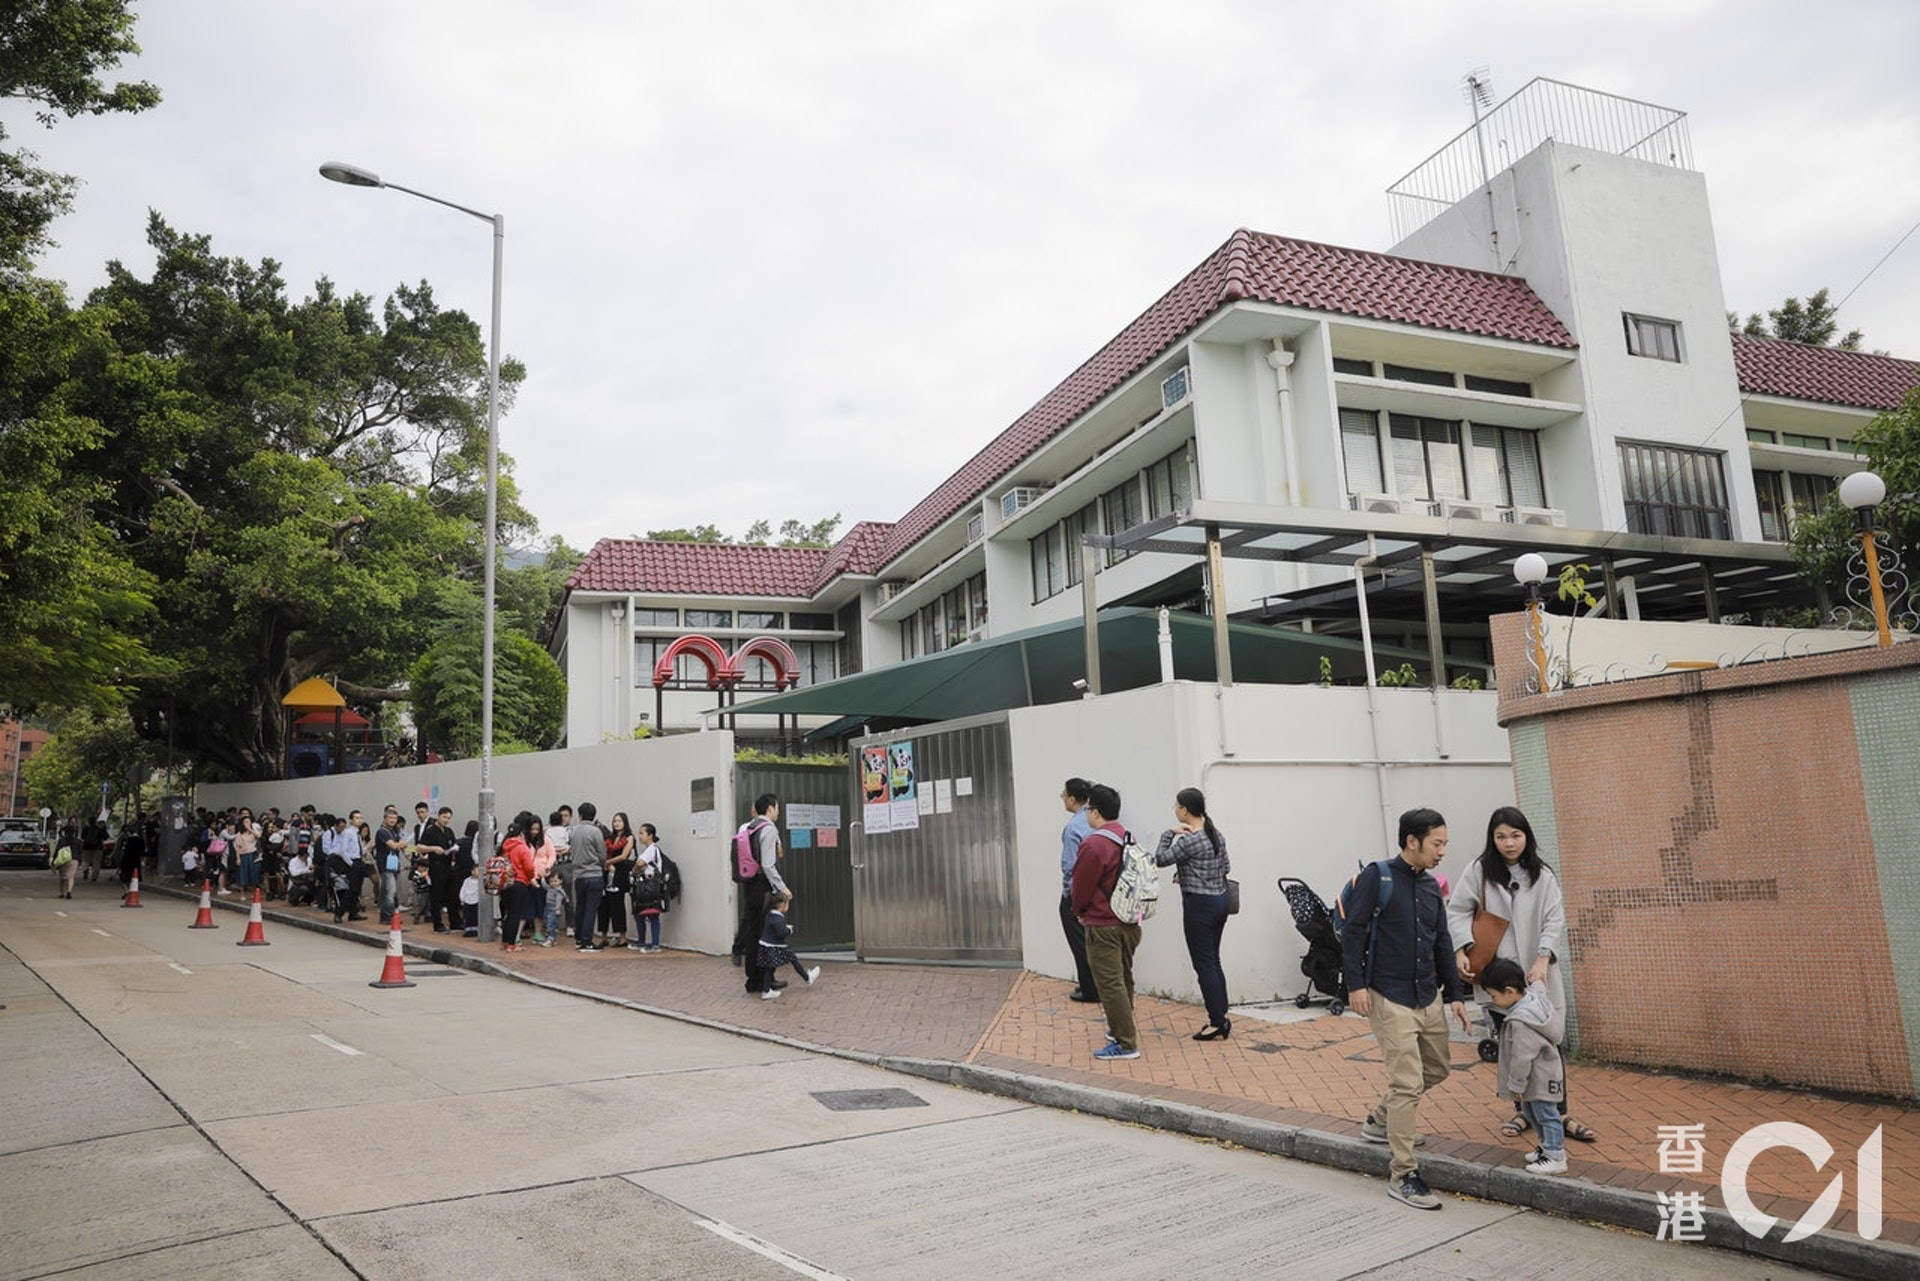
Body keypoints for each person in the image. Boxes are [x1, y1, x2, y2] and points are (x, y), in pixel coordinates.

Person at [1343, 807, 1471, 1211]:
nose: (1442, 851)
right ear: (1412, 841)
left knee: (1436, 1069)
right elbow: (1354, 932)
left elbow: (1440, 942)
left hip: (1426, 993)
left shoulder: (1432, 886)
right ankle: (1403, 1174)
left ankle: (1380, 1121)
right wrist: (1356, 985)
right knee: (1406, 1083)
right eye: (1437, 843)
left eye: (1445, 843)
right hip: (1388, 993)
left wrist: (1455, 995)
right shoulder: (1377, 877)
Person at [1446, 806, 1594, 1145]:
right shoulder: (1479, 871)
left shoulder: (1542, 874)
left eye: (1515, 835)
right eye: (1501, 836)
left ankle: (1559, 1112)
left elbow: (1554, 919)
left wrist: (1543, 958)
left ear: (1526, 837)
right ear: (1492, 838)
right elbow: (1457, 911)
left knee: (1549, 1043)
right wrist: (1461, 949)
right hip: (1500, 979)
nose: (1509, 843)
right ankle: (1523, 1111)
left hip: (1537, 974)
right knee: (1511, 1044)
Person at [1154, 786, 1233, 1041]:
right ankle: (1221, 1012)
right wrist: (1188, 873)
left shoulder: (1189, 840)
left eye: (1176, 806)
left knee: (1204, 964)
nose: (1174, 810)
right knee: (1214, 960)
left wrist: (1169, 833)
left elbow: (1160, 859)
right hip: (1220, 901)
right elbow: (1226, 867)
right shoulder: (1215, 834)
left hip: (1199, 906)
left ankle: (1217, 1021)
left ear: (1185, 810)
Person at [1476, 956, 1568, 1175]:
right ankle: (1547, 1149)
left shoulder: (1521, 1022)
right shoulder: (1534, 998)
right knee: (1532, 1112)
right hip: (1538, 1075)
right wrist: (1536, 979)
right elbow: (1540, 988)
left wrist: (1516, 1085)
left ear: (1509, 991)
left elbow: (1521, 1058)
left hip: (1538, 1076)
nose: (1493, 1000)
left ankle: (1556, 1156)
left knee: (1546, 1114)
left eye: (1493, 995)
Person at [1072, 784, 1141, 1061]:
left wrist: (1078, 910)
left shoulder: (1094, 843)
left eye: (1087, 809)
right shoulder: (1127, 836)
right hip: (1129, 921)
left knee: (1110, 984)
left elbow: (1081, 886)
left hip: (1103, 923)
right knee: (1124, 978)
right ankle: (1119, 1029)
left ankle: (1125, 1043)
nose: (1086, 814)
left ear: (1096, 812)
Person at [734, 795, 789, 995]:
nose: (778, 811)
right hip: (763, 887)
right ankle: (765, 979)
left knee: (753, 932)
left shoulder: (749, 827)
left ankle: (753, 980)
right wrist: (782, 887)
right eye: (777, 807)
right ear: (770, 808)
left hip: (749, 884)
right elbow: (768, 864)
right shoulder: (768, 829)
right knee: (766, 934)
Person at [1057, 778, 1099, 1004]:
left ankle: (1089, 989)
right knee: (1093, 940)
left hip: (1077, 894)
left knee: (1079, 941)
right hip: (1098, 891)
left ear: (1073, 799)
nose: (1063, 799)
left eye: (1064, 795)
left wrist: (1068, 894)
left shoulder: (1074, 826)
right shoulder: (1095, 820)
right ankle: (1095, 983)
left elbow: (1070, 866)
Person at [756, 889, 820, 998]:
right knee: (793, 960)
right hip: (776, 947)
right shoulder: (778, 918)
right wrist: (789, 930)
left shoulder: (770, 914)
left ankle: (766, 991)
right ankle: (808, 978)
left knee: (770, 969)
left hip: (767, 946)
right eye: (787, 904)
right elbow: (781, 933)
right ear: (782, 904)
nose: (787, 906)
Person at [568, 802, 608, 951]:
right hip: (594, 874)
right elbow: (602, 854)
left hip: (578, 875)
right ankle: (587, 940)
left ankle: (579, 939)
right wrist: (602, 863)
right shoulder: (595, 831)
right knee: (591, 909)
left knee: (580, 907)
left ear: (580, 815)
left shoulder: (573, 831)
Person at [500, 811, 539, 952]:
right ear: (521, 834)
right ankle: (512, 944)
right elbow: (529, 867)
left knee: (508, 914)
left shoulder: (504, 848)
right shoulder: (522, 848)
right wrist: (531, 877)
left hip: (505, 883)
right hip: (519, 883)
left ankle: (504, 942)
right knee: (516, 914)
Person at [417, 805, 458, 933]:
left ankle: (455, 922)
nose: (446, 820)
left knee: (453, 895)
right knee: (437, 895)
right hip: (436, 865)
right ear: (439, 816)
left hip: (448, 865)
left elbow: (453, 844)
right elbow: (419, 847)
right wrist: (433, 848)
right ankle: (437, 923)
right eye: (444, 817)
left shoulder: (449, 831)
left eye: (448, 818)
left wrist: (454, 851)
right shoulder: (430, 830)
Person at [598, 811, 635, 947]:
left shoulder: (629, 837)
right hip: (607, 872)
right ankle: (603, 935)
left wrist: (608, 862)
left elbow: (624, 856)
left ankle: (622, 936)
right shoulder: (610, 837)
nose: (616, 823)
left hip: (619, 873)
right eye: (615, 821)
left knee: (617, 904)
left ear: (625, 822)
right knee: (603, 904)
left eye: (619, 821)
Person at [630, 823, 668, 952]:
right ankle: (642, 942)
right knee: (639, 913)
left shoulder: (652, 849)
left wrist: (634, 871)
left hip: (650, 887)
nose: (640, 836)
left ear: (650, 835)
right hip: (645, 886)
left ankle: (655, 944)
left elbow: (640, 863)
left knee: (652, 914)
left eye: (642, 833)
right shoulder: (648, 849)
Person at [374, 807, 408, 921]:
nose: (393, 820)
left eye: (395, 818)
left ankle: (384, 914)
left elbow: (401, 846)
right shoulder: (382, 831)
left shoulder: (394, 831)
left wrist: (408, 852)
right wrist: (402, 843)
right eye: (390, 818)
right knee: (390, 890)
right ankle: (389, 916)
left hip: (393, 865)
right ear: (385, 818)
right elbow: (393, 845)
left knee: (385, 890)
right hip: (385, 865)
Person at [52, 822, 79, 898]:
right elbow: (80, 851)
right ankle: (69, 891)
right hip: (74, 859)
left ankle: (61, 893)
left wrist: (54, 860)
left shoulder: (62, 840)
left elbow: (57, 850)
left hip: (63, 859)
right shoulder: (77, 841)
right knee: (71, 876)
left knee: (62, 877)